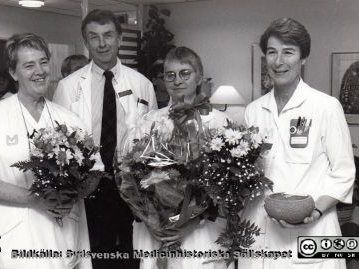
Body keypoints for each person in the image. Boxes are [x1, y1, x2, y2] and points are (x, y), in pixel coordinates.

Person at [0, 33, 92, 269]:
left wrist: (72, 194)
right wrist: (35, 199)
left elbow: (95, 171)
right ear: (13, 73)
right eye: (29, 65)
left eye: (43, 62)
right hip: (12, 240)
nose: (39, 71)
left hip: (63, 237)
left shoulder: (70, 120)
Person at [242, 18, 355, 269]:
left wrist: (314, 211)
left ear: (303, 58)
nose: (278, 61)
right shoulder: (253, 111)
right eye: (272, 52)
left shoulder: (326, 106)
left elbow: (344, 171)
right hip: (260, 233)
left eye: (288, 52)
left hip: (313, 232)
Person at [53, 9, 157, 269]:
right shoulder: (68, 87)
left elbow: (155, 139)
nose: (102, 43)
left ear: (120, 39)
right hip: (91, 186)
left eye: (108, 35)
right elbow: (58, 142)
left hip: (133, 186)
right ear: (86, 42)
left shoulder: (142, 84)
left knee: (135, 252)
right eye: (94, 37)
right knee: (98, 252)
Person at [134, 46, 233, 269]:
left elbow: (229, 187)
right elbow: (133, 177)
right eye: (170, 75)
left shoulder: (220, 123)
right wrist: (155, 218)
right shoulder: (148, 122)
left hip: (203, 231)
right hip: (158, 230)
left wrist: (191, 220)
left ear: (198, 76)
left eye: (185, 73)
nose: (177, 80)